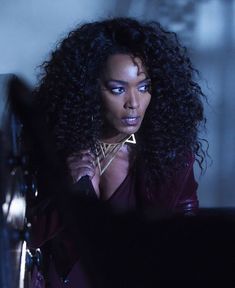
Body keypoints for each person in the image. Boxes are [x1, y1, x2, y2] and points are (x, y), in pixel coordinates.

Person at [29, 17, 207, 287]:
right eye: (118, 89)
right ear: (89, 89)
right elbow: (24, 238)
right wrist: (71, 189)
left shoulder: (169, 155)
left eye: (144, 87)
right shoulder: (56, 147)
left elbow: (186, 234)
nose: (133, 103)